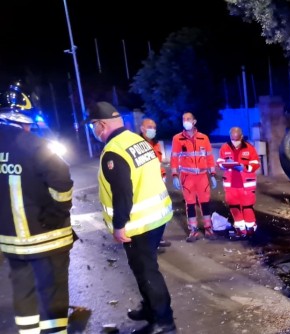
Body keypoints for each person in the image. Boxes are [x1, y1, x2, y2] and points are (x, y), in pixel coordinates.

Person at [89, 102, 176, 334]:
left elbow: (122, 192)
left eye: (93, 126)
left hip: (139, 223)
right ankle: (150, 308)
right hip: (156, 216)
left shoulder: (114, 151)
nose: (94, 131)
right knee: (142, 267)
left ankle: (163, 321)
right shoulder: (136, 141)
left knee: (147, 270)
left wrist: (119, 226)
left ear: (101, 124)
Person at [0, 111, 75, 334]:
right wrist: (58, 211)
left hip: (11, 241)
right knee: (54, 290)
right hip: (47, 237)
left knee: (23, 290)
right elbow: (62, 180)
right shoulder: (33, 144)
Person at [170, 112, 217, 242]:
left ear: (194, 121)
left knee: (205, 203)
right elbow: (174, 158)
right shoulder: (177, 139)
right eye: (184, 119)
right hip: (187, 177)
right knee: (190, 204)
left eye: (188, 119)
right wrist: (174, 175)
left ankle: (208, 228)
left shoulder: (204, 138)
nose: (186, 121)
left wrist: (212, 174)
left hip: (202, 176)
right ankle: (193, 230)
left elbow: (209, 157)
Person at [217, 127, 261, 238]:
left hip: (246, 184)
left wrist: (244, 167)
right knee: (234, 207)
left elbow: (256, 164)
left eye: (236, 139)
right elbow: (220, 162)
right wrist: (225, 164)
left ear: (241, 137)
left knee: (247, 207)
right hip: (231, 184)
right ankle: (241, 229)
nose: (234, 141)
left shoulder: (249, 148)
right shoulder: (225, 147)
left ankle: (250, 228)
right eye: (232, 139)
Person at [139, 118, 171, 254]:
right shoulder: (138, 145)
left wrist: (163, 175)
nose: (152, 129)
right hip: (146, 185)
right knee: (149, 214)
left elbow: (158, 164)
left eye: (154, 127)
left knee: (159, 214)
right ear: (142, 128)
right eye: (149, 126)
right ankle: (151, 243)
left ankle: (158, 238)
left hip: (158, 183)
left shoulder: (156, 144)